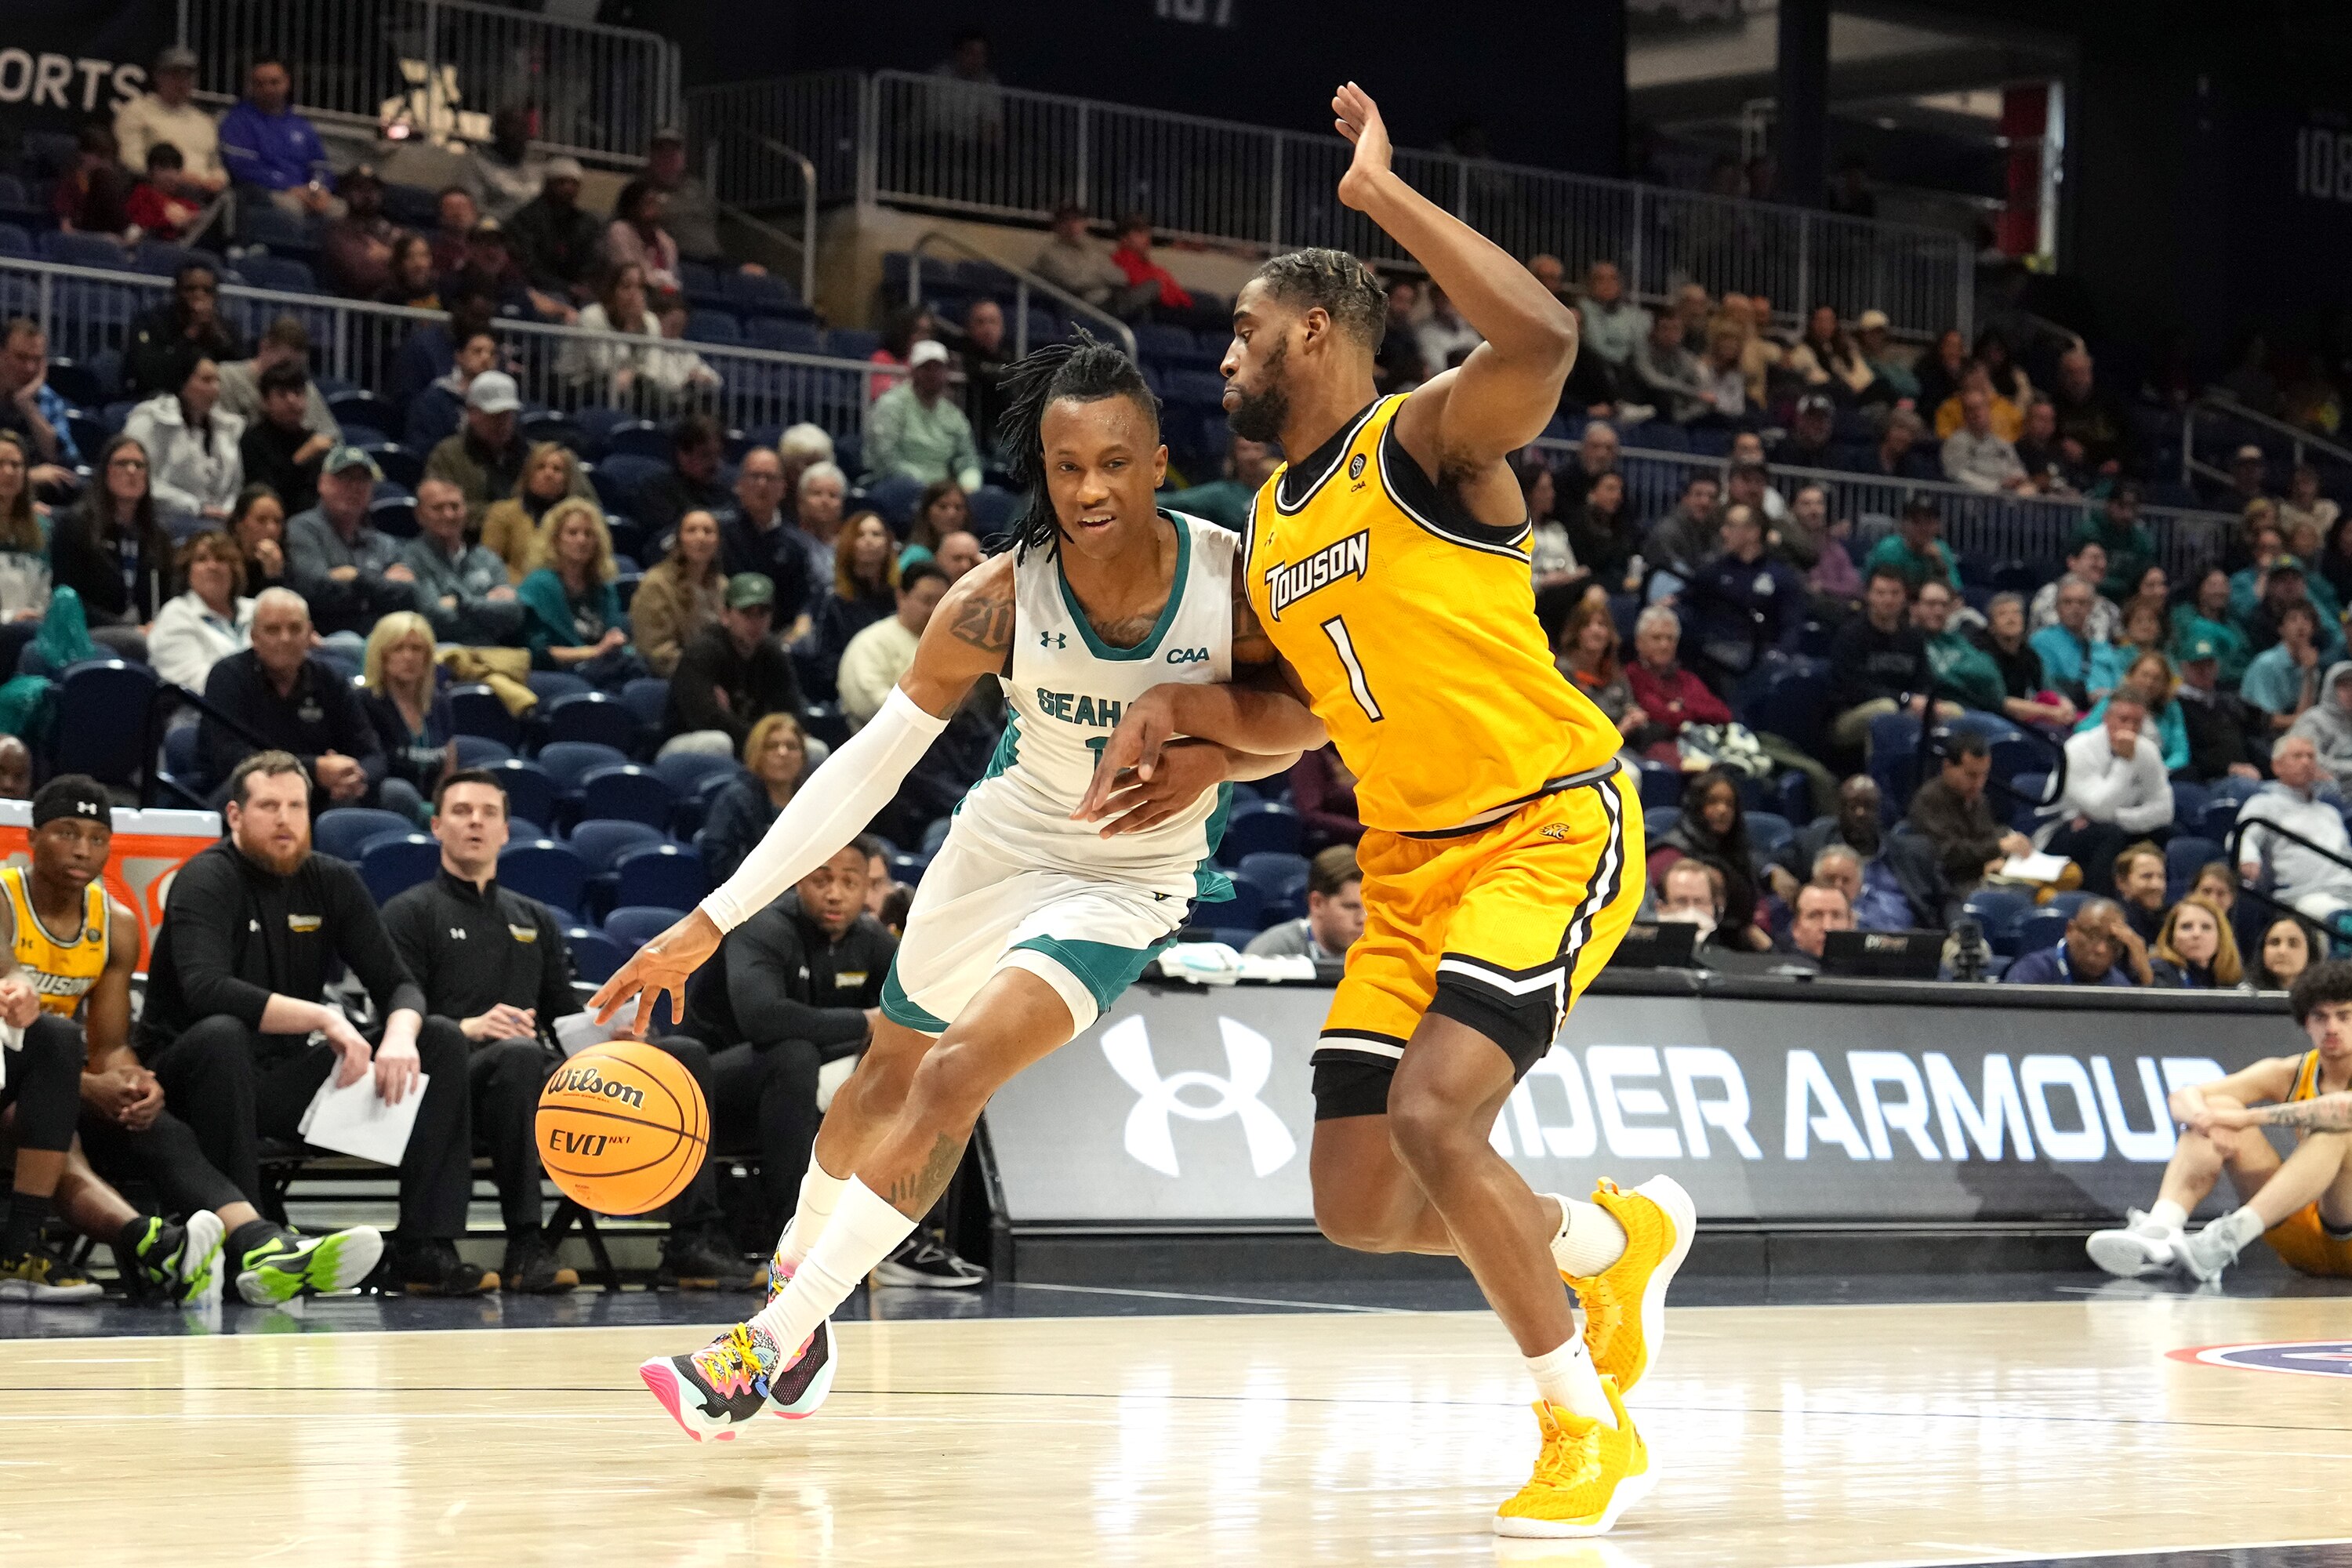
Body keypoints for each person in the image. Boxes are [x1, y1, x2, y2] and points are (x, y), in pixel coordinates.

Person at [1100, 94, 1679, 1534]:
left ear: (1312, 332)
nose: (1221, 353)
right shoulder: (1277, 525)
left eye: (1242, 327)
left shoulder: (1424, 442)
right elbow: (1306, 715)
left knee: (1435, 1113)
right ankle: (1609, 1241)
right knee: (1359, 1200)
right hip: (1412, 860)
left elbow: (1546, 340)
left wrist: (1385, 199)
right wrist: (1189, 731)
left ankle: (1580, 1429)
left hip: (1546, 820)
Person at [610, 332, 1305, 1437]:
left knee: (960, 1070)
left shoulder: (1235, 585)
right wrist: (711, 919)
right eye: (1067, 466)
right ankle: (803, 1287)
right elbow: (864, 771)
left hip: (1129, 875)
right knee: (884, 1080)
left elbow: (1306, 720)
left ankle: (762, 1348)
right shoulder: (995, 601)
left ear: (1160, 463)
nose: (1090, 490)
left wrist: (1216, 749)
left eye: (1115, 463)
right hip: (1005, 839)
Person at [4, 774, 379, 1307]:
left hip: (62, 1081)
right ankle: (148, 1249)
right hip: (11, 1081)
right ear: (32, 838)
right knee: (54, 1080)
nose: (82, 849)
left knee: (152, 1120)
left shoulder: (116, 923)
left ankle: (259, 1244)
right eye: (66, 833)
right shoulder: (4, 898)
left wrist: (134, 1082)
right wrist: (87, 1086)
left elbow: (109, 1045)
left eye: (96, 838)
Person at [382, 768, 739, 1293]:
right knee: (521, 1056)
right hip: (450, 1082)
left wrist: (614, 1039)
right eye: (461, 812)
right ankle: (527, 1243)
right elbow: (399, 1008)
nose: (475, 823)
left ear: (506, 831)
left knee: (678, 1053)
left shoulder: (533, 918)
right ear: (436, 826)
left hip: (530, 1077)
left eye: (488, 813)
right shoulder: (409, 912)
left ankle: (692, 1239)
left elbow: (562, 1014)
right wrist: (469, 1025)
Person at [140, 751, 484, 1294]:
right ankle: (251, 1246)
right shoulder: (205, 878)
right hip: (189, 1078)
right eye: (269, 806)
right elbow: (206, 990)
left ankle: (423, 1248)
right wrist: (326, 1017)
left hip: (278, 1079)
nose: (285, 819)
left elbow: (398, 983)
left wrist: (398, 1036)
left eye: (296, 806)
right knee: (223, 1034)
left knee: (437, 1037)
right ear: (235, 815)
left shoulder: (332, 880)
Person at [670, 840, 916, 1263]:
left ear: (867, 889)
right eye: (822, 879)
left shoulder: (871, 940)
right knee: (793, 1053)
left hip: (796, 1091)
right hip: (709, 1090)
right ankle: (797, 1237)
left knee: (927, 1064)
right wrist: (864, 1022)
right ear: (801, 879)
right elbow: (762, 1018)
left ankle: (906, 1237)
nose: (835, 893)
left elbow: (912, 1009)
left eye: (850, 882)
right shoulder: (764, 926)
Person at [2086, 960, 2352, 1283]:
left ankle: (2227, 1237)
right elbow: (2182, 1097)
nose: (2332, 1028)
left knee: (2336, 1133)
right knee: (2217, 1107)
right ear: (2305, 1022)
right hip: (2302, 1237)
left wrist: (2245, 1118)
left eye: (2344, 1016)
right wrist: (2207, 1119)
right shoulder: (2289, 1071)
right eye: (2320, 1017)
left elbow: (2341, 1110)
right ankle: (2162, 1229)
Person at [199, 589, 387, 811]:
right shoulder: (228, 676)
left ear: (309, 634)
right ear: (253, 636)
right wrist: (314, 769)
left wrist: (352, 776)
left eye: (295, 628)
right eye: (273, 630)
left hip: (318, 794)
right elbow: (232, 758)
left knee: (393, 793)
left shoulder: (329, 679)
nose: (285, 638)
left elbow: (372, 753)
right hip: (247, 793)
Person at [1769, 775, 1945, 931]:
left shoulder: (1911, 852)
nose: (1860, 813)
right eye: (1853, 806)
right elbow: (1754, 858)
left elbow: (1948, 899)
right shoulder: (1813, 842)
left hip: (1907, 944)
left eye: (1868, 807)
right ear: (1840, 810)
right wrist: (1774, 871)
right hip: (1841, 943)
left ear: (1880, 812)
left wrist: (1958, 926)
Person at [52, 434, 174, 652]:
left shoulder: (158, 536)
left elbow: (167, 598)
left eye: (139, 465)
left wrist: (158, 626)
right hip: (88, 631)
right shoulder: (76, 525)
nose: (131, 471)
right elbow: (67, 598)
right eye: (121, 463)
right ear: (105, 472)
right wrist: (126, 628)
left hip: (146, 633)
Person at [2041, 693, 2172, 894]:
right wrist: (2125, 761)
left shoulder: (2148, 751)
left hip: (2109, 824)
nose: (2129, 728)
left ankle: (2156, 903)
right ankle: (2100, 902)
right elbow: (2101, 807)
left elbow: (2165, 810)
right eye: (2123, 719)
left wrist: (2120, 817)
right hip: (2061, 828)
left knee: (2169, 832)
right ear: (2106, 718)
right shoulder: (2078, 748)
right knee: (2109, 833)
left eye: (2136, 722)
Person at [661, 573, 804, 757]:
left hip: (753, 742)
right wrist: (763, 736)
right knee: (718, 742)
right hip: (684, 745)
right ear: (725, 615)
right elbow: (706, 720)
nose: (755, 622)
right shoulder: (702, 652)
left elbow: (792, 712)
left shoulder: (774, 653)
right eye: (746, 613)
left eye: (763, 613)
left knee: (813, 749)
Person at [285, 445, 418, 638]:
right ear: (323, 483)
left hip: (378, 638)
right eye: (345, 478)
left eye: (363, 480)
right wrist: (379, 585)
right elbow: (315, 592)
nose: (355, 488)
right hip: (326, 638)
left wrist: (355, 577)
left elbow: (409, 594)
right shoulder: (303, 529)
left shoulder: (382, 543)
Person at [517, 499, 639, 688]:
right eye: (572, 533)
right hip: (560, 673)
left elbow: (615, 634)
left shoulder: (603, 587)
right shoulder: (538, 586)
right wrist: (595, 651)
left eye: (588, 534)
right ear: (555, 540)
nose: (581, 540)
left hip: (604, 667)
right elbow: (537, 653)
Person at [1682, 502, 1802, 684]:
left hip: (1762, 652)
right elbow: (1686, 597)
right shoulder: (1714, 571)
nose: (1724, 532)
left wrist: (1781, 653)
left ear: (1753, 533)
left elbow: (1792, 624)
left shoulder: (1781, 576)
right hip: (1720, 649)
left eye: (1731, 525)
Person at [2237, 734, 2352, 924]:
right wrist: (2248, 857)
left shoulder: (2329, 812)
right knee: (2343, 922)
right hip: (2304, 896)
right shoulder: (2264, 804)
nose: (2306, 762)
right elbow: (2243, 836)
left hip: (2346, 888)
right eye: (2297, 756)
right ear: (2277, 766)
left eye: (2311, 756)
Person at [1651, 768, 1769, 952]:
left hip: (1731, 948)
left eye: (1729, 804)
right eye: (1713, 802)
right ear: (1697, 805)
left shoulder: (1736, 852)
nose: (1723, 810)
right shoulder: (1668, 854)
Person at [1905, 730, 2034, 896]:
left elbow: (1986, 836)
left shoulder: (1978, 799)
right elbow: (1946, 854)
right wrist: (1997, 848)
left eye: (1984, 775)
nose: (1979, 783)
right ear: (1948, 767)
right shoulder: (1928, 801)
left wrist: (2004, 845)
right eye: (1972, 775)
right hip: (1951, 887)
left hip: (1984, 875)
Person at [125, 356, 243, 532]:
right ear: (183, 382)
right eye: (206, 380)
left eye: (217, 381)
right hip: (162, 522)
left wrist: (226, 511)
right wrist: (196, 507)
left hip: (219, 525)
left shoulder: (227, 427)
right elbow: (140, 479)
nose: (215, 389)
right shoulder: (150, 419)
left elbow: (235, 487)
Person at [403, 474, 523, 647]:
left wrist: (460, 603)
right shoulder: (412, 557)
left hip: (490, 653)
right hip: (438, 652)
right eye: (438, 508)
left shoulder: (486, 557)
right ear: (419, 515)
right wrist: (487, 601)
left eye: (455, 506)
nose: (449, 515)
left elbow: (514, 614)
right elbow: (433, 618)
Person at [1828, 566, 1938, 750]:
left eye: (1895, 593)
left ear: (1904, 598)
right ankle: (1880, 776)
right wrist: (1905, 700)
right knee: (1886, 711)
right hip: (1848, 716)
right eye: (1881, 593)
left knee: (1951, 712)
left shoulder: (1913, 637)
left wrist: (1923, 702)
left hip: (1905, 707)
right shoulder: (1851, 635)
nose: (1888, 600)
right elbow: (1853, 689)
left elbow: (1925, 680)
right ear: (1869, 596)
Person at [358, 612, 453, 822]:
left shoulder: (439, 703)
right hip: (384, 811)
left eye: (417, 649)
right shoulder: (363, 702)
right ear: (381, 654)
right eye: (398, 648)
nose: (408, 657)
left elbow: (448, 774)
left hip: (433, 813)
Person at [837, 563, 949, 730]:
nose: (934, 610)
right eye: (927, 601)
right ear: (901, 597)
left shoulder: (949, 645)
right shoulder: (871, 642)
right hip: (882, 737)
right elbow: (869, 701)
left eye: (941, 602)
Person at [216, 58, 334, 218]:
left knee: (340, 210)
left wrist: (318, 189)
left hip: (306, 193)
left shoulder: (300, 125)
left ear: (287, 83)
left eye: (274, 82)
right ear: (251, 86)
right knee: (293, 210)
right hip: (268, 193)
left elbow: (320, 165)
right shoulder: (237, 121)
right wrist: (289, 187)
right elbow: (244, 168)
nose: (268, 89)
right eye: (260, 84)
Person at [699, 714, 808, 885]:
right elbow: (720, 861)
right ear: (756, 754)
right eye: (772, 746)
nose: (783, 753)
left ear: (803, 756)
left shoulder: (812, 799)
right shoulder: (735, 799)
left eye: (792, 746)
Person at [807, 512, 901, 699]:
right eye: (860, 535)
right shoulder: (834, 600)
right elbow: (826, 662)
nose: (869, 541)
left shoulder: (899, 597)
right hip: (850, 688)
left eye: (876, 534)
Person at [867, 341, 983, 492]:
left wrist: (970, 483)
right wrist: (923, 486)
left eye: (938, 368)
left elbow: (967, 459)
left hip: (942, 492)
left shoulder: (954, 415)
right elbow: (885, 458)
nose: (933, 374)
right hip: (899, 487)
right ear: (913, 371)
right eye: (926, 368)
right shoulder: (891, 405)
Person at [148, 530, 253, 693]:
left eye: (221, 559)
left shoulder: (256, 610)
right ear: (188, 571)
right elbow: (197, 685)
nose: (212, 566)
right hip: (201, 715)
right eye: (202, 559)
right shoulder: (176, 615)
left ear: (234, 569)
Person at [1623, 604, 1731, 764]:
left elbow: (1723, 714)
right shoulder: (1632, 675)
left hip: (1698, 749)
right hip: (1652, 753)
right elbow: (1658, 714)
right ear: (1639, 642)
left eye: (1670, 639)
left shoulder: (1686, 678)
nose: (1664, 645)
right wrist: (1692, 713)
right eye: (1657, 638)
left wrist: (1683, 706)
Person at [714, 447, 815, 619]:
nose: (762, 484)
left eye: (770, 478)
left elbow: (803, 601)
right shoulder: (715, 530)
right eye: (755, 476)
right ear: (739, 484)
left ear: (783, 488)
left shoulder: (796, 544)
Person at [114, 45, 226, 194]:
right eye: (175, 75)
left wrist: (218, 179)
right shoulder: (137, 111)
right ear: (158, 76)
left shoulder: (203, 121)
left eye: (187, 76)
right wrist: (173, 176)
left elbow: (216, 163)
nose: (182, 82)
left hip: (206, 191)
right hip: (159, 190)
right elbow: (130, 159)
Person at [125, 261, 242, 402]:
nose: (199, 296)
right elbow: (151, 375)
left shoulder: (224, 327)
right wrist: (192, 331)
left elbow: (238, 370)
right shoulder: (150, 321)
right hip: (158, 401)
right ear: (176, 291)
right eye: (190, 289)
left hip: (213, 403)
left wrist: (216, 332)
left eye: (207, 290)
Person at [478, 440, 594, 583]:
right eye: (540, 467)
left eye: (557, 469)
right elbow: (490, 565)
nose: (548, 474)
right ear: (528, 474)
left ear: (567, 480)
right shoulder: (502, 513)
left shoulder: (579, 519)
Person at [424, 372, 528, 528]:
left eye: (506, 415)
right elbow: (439, 507)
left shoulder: (532, 455)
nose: (501, 423)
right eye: (493, 416)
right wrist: (504, 515)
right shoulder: (447, 455)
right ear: (472, 413)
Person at [1245, 845, 1366, 977]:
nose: (1363, 919)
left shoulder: (1372, 952)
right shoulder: (1272, 951)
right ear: (1317, 903)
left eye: (1369, 908)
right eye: (1350, 907)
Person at [632, 508, 726, 677]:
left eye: (708, 531)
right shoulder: (656, 584)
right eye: (691, 531)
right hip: (676, 677)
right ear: (679, 540)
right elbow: (656, 651)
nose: (701, 538)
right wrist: (702, 676)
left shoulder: (723, 586)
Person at [235, 361, 330, 516]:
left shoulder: (314, 440)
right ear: (265, 402)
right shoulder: (252, 441)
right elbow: (265, 496)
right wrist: (300, 458)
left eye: (298, 393)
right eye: (282, 394)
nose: (292, 401)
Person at [509, 158, 604, 308]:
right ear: (548, 185)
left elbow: (591, 262)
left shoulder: (586, 223)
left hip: (577, 291)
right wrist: (565, 288)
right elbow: (528, 265)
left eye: (574, 184)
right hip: (539, 289)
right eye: (562, 183)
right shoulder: (526, 219)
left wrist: (583, 285)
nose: (568, 189)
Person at [1555, 597, 1643, 753]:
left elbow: (1629, 705)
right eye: (1587, 625)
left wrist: (1634, 715)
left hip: (1623, 748)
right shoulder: (1562, 672)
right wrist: (1621, 729)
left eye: (1601, 624)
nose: (1595, 630)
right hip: (1583, 752)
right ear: (1576, 632)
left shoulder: (1616, 672)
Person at [0, 319, 82, 486]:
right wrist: (27, 477)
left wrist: (27, 406)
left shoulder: (48, 398)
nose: (30, 368)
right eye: (21, 357)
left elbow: (62, 458)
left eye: (37, 360)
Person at [2172, 633, 2261, 783]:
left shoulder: (2228, 701)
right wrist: (2228, 768)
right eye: (2197, 665)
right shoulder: (2177, 705)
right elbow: (2188, 753)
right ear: (2184, 667)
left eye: (2209, 664)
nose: (2205, 671)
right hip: (2208, 780)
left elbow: (2253, 737)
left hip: (2247, 773)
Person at [2030, 575, 2125, 710]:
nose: (2075, 608)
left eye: (2082, 603)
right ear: (2057, 607)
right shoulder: (2041, 641)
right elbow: (2046, 688)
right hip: (2063, 713)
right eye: (2068, 602)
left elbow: (2121, 687)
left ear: (2091, 607)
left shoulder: (2103, 648)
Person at [2002, 897, 2145, 986]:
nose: (2101, 949)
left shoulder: (2118, 984)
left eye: (2113, 941)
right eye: (2093, 936)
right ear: (2070, 930)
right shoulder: (2033, 971)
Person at [637, 414, 732, 544]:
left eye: (718, 455)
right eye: (706, 455)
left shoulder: (725, 494)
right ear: (682, 455)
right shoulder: (656, 490)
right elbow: (665, 541)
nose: (715, 464)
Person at [403, 322, 499, 452]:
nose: (486, 358)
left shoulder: (503, 400)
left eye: (492, 353)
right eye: (477, 351)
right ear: (459, 356)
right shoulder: (434, 400)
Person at [1031, 204, 1141, 314]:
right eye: (1066, 221)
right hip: (1083, 307)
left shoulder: (1094, 246)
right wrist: (1103, 276)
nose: (1072, 226)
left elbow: (1121, 277)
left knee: (1150, 294)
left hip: (1111, 299)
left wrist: (1094, 275)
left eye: (1077, 220)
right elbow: (1075, 282)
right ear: (1056, 227)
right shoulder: (1050, 254)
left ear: (1085, 223)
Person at [1170, 434, 1279, 534]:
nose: (1251, 456)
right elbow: (1177, 501)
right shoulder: (1222, 494)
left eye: (1257, 449)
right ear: (1234, 455)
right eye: (1244, 449)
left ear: (1267, 453)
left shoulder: (1281, 490)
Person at [319, 165, 397, 299]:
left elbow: (416, 273)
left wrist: (390, 256)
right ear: (346, 193)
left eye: (373, 189)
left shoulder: (388, 229)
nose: (367, 194)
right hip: (354, 308)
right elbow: (361, 276)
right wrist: (397, 259)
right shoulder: (338, 232)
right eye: (360, 188)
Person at [461, 106, 545, 224]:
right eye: (512, 127)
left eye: (523, 128)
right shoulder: (478, 163)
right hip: (497, 231)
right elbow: (475, 206)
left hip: (535, 231)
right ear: (497, 132)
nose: (519, 134)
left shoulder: (535, 164)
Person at [1861, 499, 1964, 594]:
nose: (1923, 528)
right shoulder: (1887, 548)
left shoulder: (1941, 550)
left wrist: (1939, 562)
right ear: (1904, 524)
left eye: (1928, 522)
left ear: (1937, 526)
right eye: (1916, 522)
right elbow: (1866, 585)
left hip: (1928, 608)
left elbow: (1955, 593)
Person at [1632, 310, 1711, 426]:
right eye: (1665, 328)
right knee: (1663, 395)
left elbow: (1702, 388)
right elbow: (1654, 381)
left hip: (1678, 414)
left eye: (1676, 329)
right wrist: (1694, 393)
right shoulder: (1641, 352)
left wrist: (1698, 397)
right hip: (1645, 403)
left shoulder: (1687, 358)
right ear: (1654, 331)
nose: (1670, 334)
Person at [2147, 895, 2242, 990]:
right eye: (2186, 927)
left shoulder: (2229, 980)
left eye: (2206, 927)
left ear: (2221, 937)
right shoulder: (2159, 971)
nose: (2196, 934)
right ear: (2171, 936)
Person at [605, 177, 681, 295]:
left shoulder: (667, 242)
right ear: (633, 206)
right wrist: (658, 280)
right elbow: (628, 272)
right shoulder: (619, 231)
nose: (654, 208)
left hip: (662, 297)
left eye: (656, 203)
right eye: (648, 202)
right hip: (626, 294)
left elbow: (674, 278)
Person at [2288, 659, 2352, 789]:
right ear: (2330, 688)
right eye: (2343, 686)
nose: (2350, 692)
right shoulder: (2313, 720)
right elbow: (2308, 763)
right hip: (2322, 791)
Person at [230, 483, 290, 597]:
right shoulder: (224, 562)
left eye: (277, 521)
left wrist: (274, 576)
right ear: (239, 524)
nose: (272, 529)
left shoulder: (288, 562)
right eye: (261, 520)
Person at [899, 480, 971, 570]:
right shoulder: (917, 556)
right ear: (926, 512)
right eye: (943, 507)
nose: (952, 514)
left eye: (958, 507)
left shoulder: (974, 555)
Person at [2109, 839, 2171, 943]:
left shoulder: (2166, 919)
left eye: (2161, 877)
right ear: (2122, 882)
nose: (2156, 885)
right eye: (2147, 876)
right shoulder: (2115, 924)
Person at [1784, 880, 1854, 966]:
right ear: (1795, 927)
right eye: (1815, 916)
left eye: (1836, 916)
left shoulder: (1869, 973)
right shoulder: (1776, 974)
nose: (1827, 927)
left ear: (1851, 924)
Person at [377, 234, 441, 310]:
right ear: (399, 262)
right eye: (410, 257)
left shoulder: (441, 289)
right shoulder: (388, 297)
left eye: (424, 255)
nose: (419, 264)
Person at [2254, 916, 2318, 991]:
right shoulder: (2245, 994)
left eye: (2293, 944)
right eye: (2275, 942)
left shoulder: (2324, 997)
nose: (2282, 951)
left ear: (2310, 951)